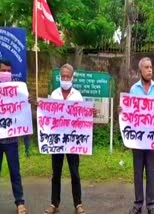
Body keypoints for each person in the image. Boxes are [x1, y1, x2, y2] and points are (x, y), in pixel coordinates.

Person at [122, 57, 154, 214]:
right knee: (138, 172)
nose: (150, 70)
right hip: (137, 140)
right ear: (140, 70)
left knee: (151, 171)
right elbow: (129, 111)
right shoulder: (133, 89)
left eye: (151, 67)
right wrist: (122, 110)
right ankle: (138, 204)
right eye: (146, 67)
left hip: (152, 140)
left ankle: (151, 205)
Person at [44, 64, 87, 214]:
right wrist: (40, 107)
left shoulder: (78, 95)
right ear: (59, 77)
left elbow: (83, 117)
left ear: (72, 78)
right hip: (57, 140)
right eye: (63, 76)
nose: (65, 79)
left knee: (74, 172)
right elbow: (47, 116)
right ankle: (54, 204)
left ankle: (78, 204)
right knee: (56, 173)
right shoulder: (54, 94)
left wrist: (90, 112)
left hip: (72, 141)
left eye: (68, 76)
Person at [0, 59, 29, 214]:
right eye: (3, 70)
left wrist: (27, 102)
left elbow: (22, 110)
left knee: (15, 172)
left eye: (8, 71)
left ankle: (20, 203)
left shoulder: (18, 90)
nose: (6, 73)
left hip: (11, 140)